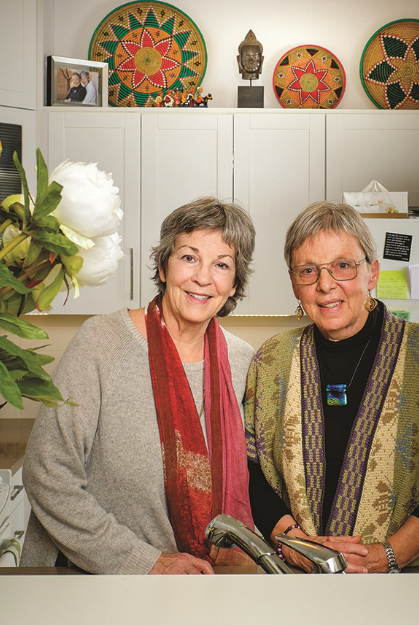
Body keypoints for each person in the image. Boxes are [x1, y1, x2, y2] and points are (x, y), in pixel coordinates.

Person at [245, 202, 419, 573]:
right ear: (294, 284)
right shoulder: (272, 360)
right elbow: (250, 471)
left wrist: (389, 554)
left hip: (411, 578)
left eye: (343, 266)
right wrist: (294, 544)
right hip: (300, 577)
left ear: (372, 273)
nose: (325, 285)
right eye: (308, 270)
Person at [22, 197, 257, 574]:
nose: (202, 277)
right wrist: (146, 562)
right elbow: (47, 472)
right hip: (92, 582)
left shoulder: (242, 361)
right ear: (163, 267)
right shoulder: (102, 341)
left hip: (206, 588)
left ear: (233, 285)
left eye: (222, 265)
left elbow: (260, 481)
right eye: (189, 257)